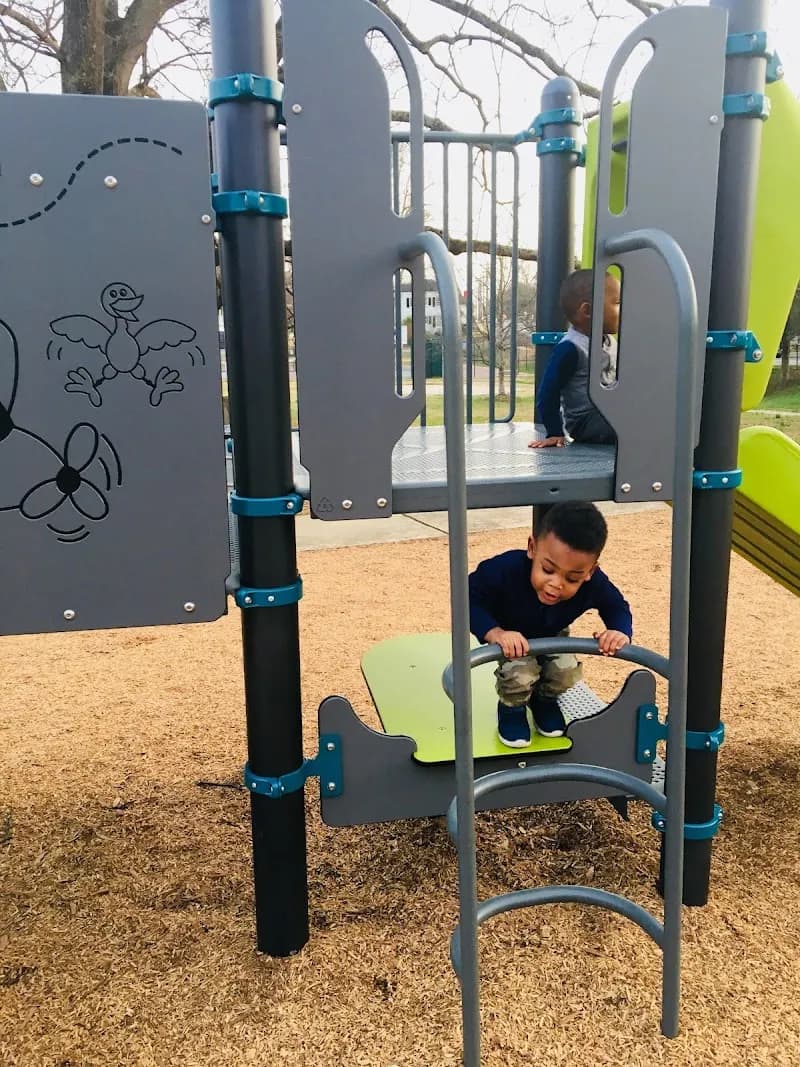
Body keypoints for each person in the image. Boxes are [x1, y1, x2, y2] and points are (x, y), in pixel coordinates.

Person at [468, 501, 632, 748]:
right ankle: (512, 709)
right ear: (532, 548)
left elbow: (616, 606)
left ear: (589, 571)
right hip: (513, 636)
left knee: (565, 671)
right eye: (547, 569)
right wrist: (495, 632)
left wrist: (619, 631)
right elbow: (468, 597)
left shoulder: (594, 582)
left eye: (572, 578)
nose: (556, 584)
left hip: (553, 632)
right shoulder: (504, 570)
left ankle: (544, 701)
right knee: (521, 675)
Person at [529, 269, 620, 449]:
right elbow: (548, 392)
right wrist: (554, 432)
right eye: (617, 302)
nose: (621, 309)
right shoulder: (570, 348)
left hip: (609, 411)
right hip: (586, 422)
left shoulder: (609, 340)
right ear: (587, 311)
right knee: (636, 422)